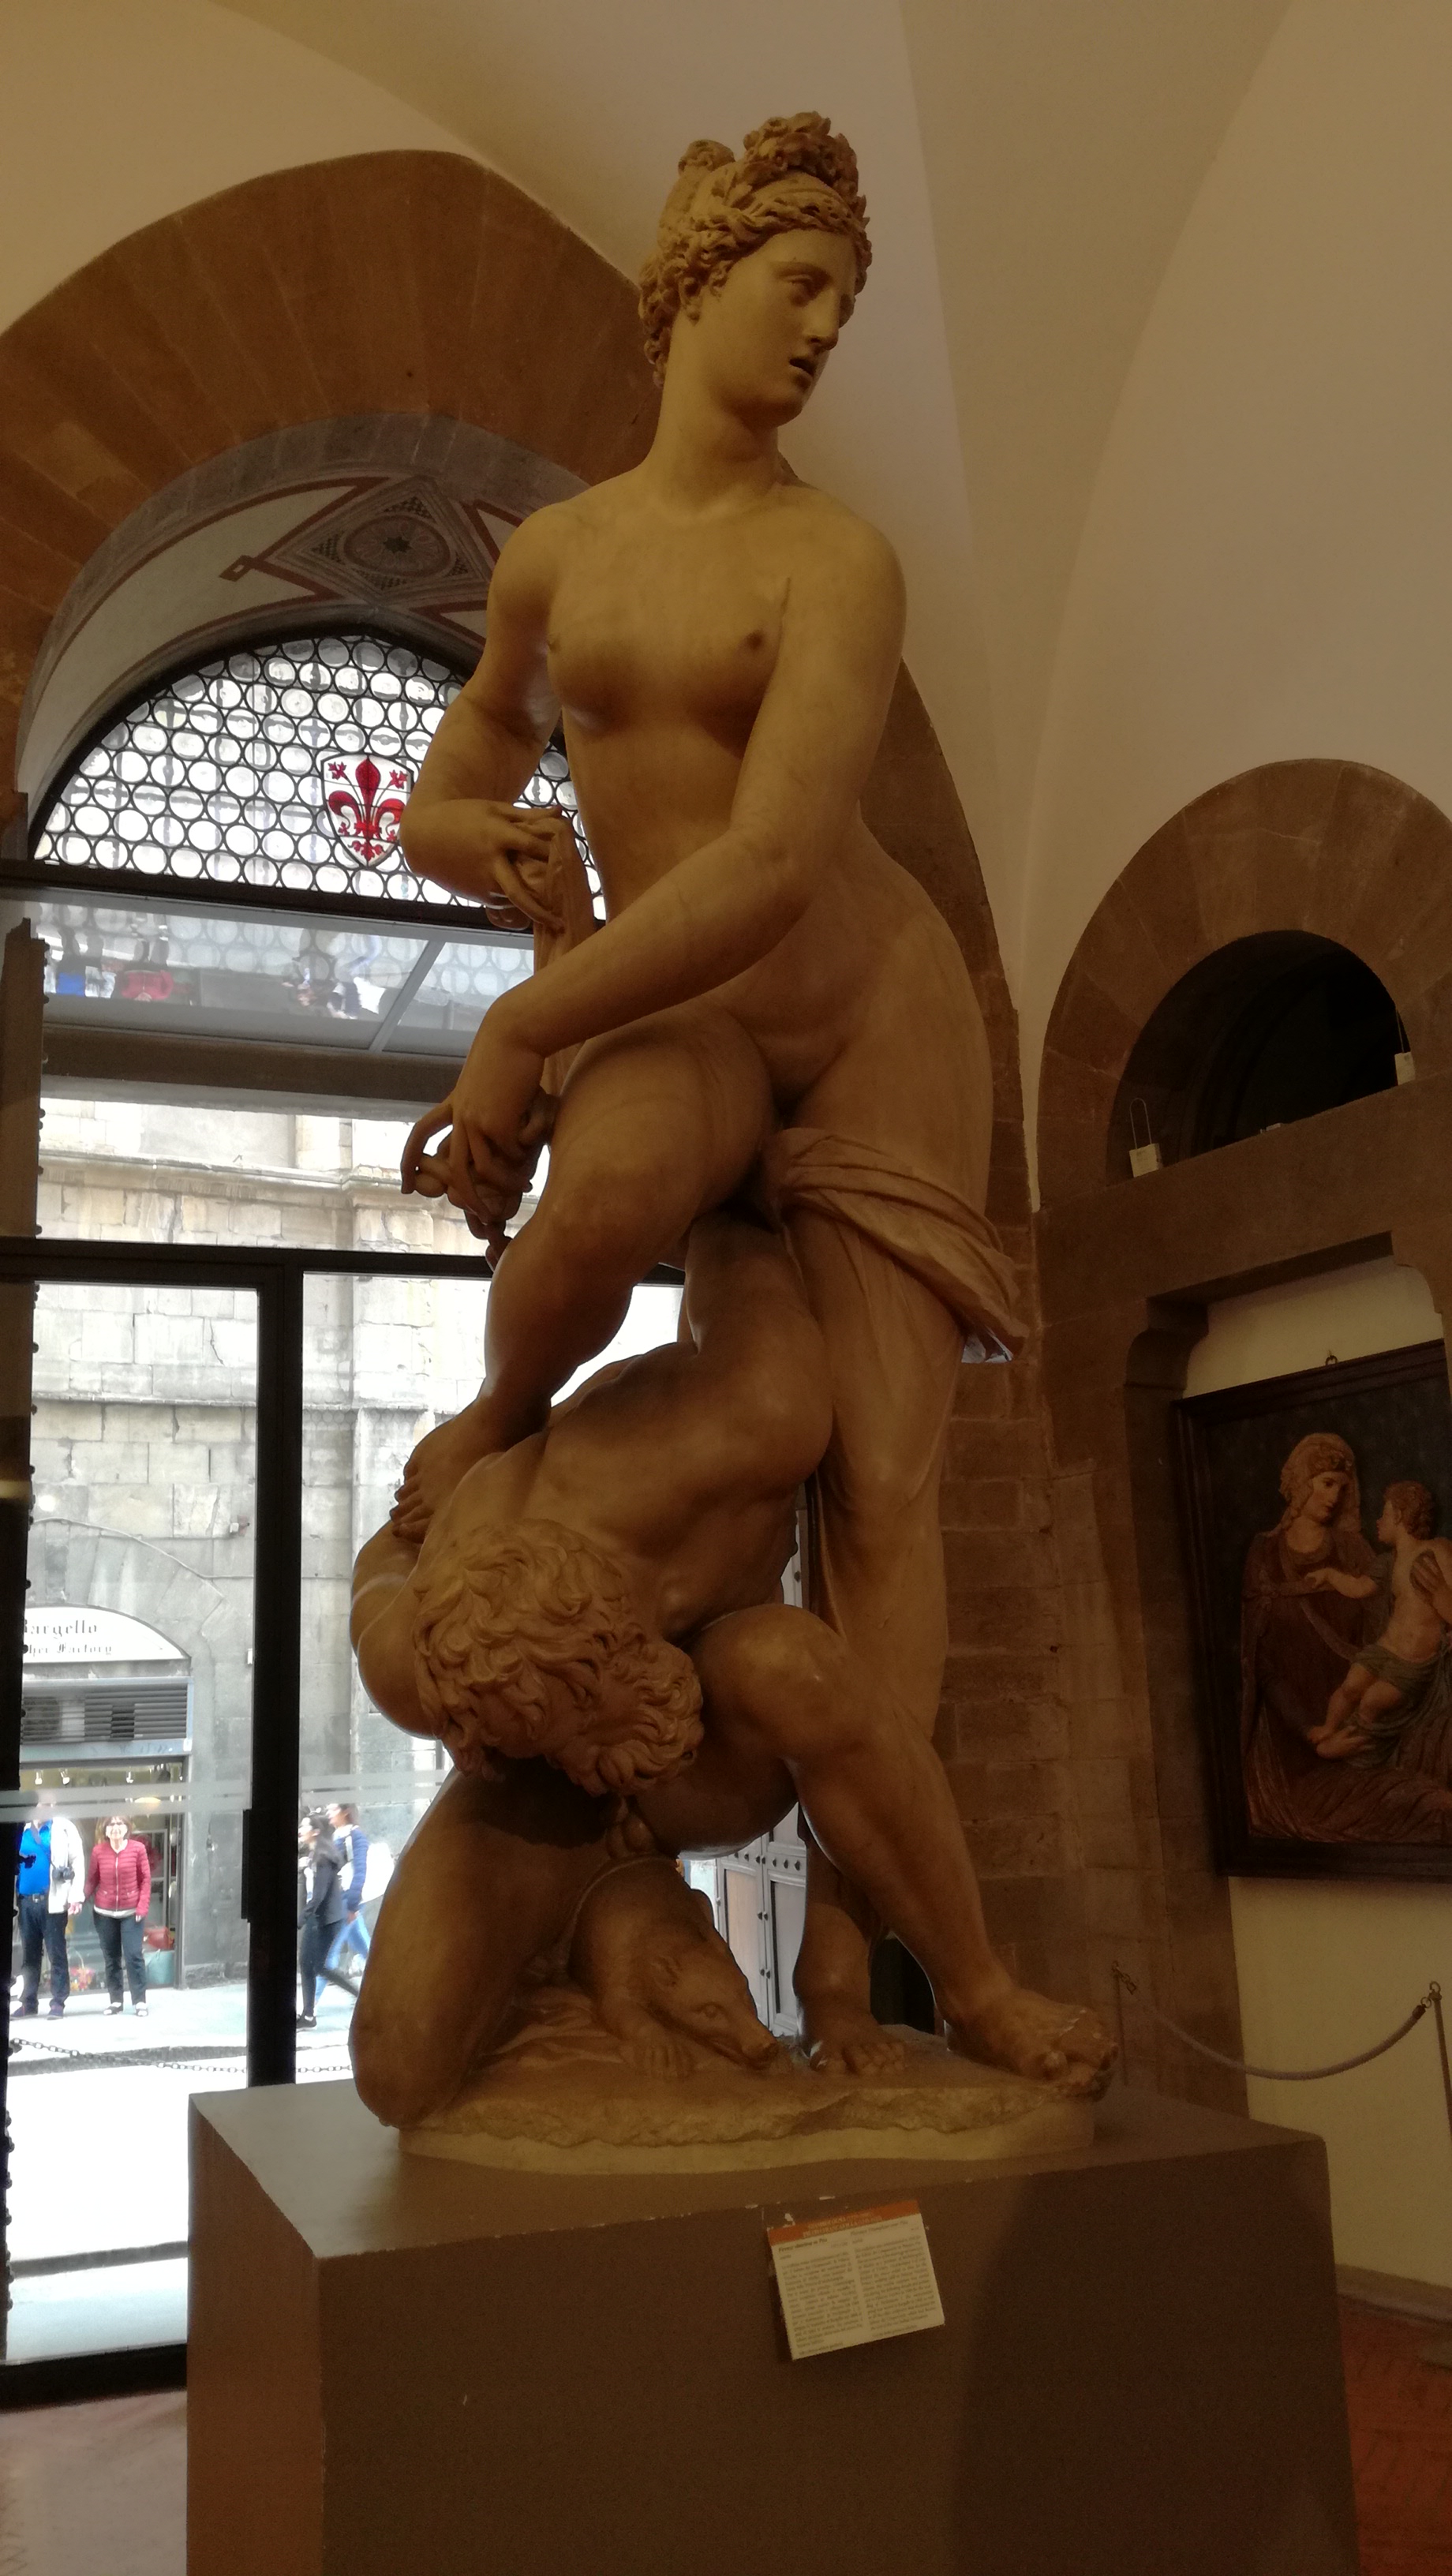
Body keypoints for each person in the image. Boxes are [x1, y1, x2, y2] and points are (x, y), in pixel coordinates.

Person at [390, 114, 1020, 2060]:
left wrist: (523, 1028)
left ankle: (851, 1963)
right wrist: (474, 843)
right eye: (797, 284)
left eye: (844, 300)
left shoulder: (836, 560)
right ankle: (492, 1424)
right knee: (595, 1204)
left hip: (868, 1020)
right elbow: (453, 776)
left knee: (881, 1497)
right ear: (693, 285)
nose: (822, 328)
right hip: (684, 1009)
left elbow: (766, 864)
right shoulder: (559, 555)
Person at [350, 1209, 1113, 2121]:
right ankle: (581, 1952)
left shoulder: (745, 1419)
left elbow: (735, 1230)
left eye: (601, 1720)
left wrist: (512, 1388)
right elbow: (386, 1561)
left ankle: (980, 1995)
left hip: (706, 1750)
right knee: (400, 2068)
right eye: (572, 1744)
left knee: (788, 1664)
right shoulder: (415, 1660)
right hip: (534, 1809)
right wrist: (463, 1456)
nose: (601, 1765)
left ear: (629, 1622)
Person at [1241, 1438, 1452, 1842]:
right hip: (1294, 1746)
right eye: (1326, 1483)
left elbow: (1402, 1621)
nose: (1335, 1497)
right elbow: (1260, 1665)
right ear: (1301, 1483)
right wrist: (1313, 1736)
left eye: (1342, 1487)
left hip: (1370, 1733)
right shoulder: (1264, 1555)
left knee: (1428, 1802)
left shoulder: (1356, 1550)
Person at [1312, 1482, 1452, 1773]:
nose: (1378, 1521)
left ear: (1399, 1515)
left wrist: (1441, 1595)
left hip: (1413, 1662)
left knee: (1372, 1701)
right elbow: (1359, 1587)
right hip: (1385, 1649)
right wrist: (1330, 1575)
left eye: (1384, 1514)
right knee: (1351, 1685)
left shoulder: (1436, 1549)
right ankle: (1329, 1728)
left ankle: (1362, 1757)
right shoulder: (1389, 1561)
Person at [15, 1798, 85, 2019]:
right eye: (42, 1804)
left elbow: (78, 1861)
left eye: (50, 1805)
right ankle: (28, 2002)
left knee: (56, 1954)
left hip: (52, 1902)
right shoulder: (21, 1829)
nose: (47, 1808)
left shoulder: (64, 1828)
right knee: (29, 1956)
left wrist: (76, 1896)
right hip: (26, 1901)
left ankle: (58, 2002)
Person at [85, 1814, 152, 2016]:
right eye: (111, 1824)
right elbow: (92, 1880)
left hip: (132, 1913)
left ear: (127, 1828)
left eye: (119, 1823)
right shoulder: (98, 1851)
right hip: (104, 1913)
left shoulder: (138, 1849)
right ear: (105, 1830)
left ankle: (140, 2001)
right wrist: (79, 1900)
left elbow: (146, 1880)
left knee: (133, 1956)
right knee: (111, 1959)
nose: (115, 1827)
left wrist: (142, 1907)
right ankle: (116, 2001)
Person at [297, 1810, 348, 2028]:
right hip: (318, 1917)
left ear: (315, 1832)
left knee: (318, 1966)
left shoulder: (323, 1858)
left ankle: (358, 1992)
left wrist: (301, 1919)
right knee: (308, 1965)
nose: (300, 1830)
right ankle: (308, 2015)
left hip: (326, 1919)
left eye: (304, 1827)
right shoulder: (315, 1855)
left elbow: (318, 1895)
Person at [324, 1803, 371, 1977]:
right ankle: (389, 1978)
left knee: (329, 1954)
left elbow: (360, 1871)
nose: (329, 1813)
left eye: (333, 1809)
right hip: (339, 1897)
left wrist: (353, 1905)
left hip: (348, 1898)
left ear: (345, 1812)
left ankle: (313, 1997)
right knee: (364, 1947)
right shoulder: (336, 1835)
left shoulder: (355, 1836)